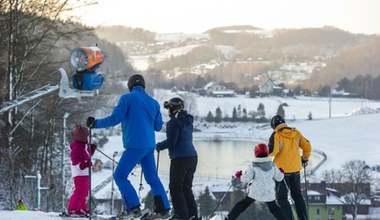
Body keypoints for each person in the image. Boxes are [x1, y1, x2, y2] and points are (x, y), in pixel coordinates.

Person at [86, 74, 171, 220]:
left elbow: (115, 119)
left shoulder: (126, 99)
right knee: (153, 178)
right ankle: (163, 210)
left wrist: (95, 123)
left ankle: (133, 208)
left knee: (119, 175)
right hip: (149, 147)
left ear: (130, 86)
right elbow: (158, 126)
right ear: (143, 86)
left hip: (134, 145)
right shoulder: (154, 103)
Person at [156, 97, 198, 220]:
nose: (168, 110)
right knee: (186, 187)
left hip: (180, 159)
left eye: (169, 107)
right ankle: (193, 216)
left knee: (175, 188)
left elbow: (172, 141)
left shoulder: (173, 122)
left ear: (172, 108)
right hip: (192, 157)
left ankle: (181, 216)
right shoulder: (188, 121)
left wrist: (159, 146)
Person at [225, 143, 287, 220]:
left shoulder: (253, 165)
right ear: (267, 151)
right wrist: (281, 172)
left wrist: (239, 176)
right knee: (275, 209)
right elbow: (279, 178)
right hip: (269, 193)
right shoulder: (272, 165)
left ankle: (229, 218)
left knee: (242, 205)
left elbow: (246, 179)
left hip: (255, 193)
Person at [268, 115, 312, 220]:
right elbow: (307, 146)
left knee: (282, 198)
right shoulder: (296, 133)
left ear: (274, 126)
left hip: (281, 172)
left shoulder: (276, 135)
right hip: (296, 169)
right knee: (297, 195)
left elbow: (271, 152)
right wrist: (305, 157)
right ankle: (303, 218)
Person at [67, 124, 96, 216]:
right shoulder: (77, 147)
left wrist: (91, 150)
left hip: (84, 173)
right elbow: (76, 162)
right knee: (80, 191)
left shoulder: (83, 146)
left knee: (84, 191)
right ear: (83, 137)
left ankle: (82, 208)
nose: (89, 138)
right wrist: (85, 164)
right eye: (88, 136)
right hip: (79, 173)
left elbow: (86, 156)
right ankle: (73, 208)